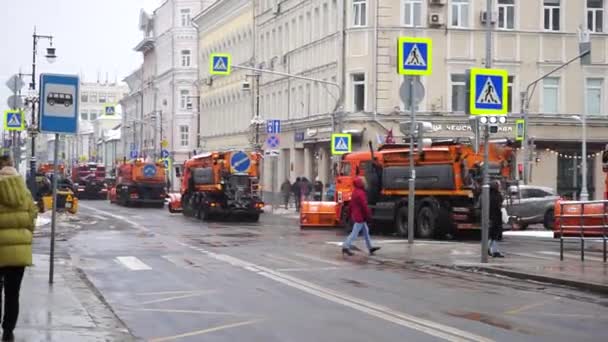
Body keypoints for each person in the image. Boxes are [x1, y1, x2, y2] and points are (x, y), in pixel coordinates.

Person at [0, 156, 37, 341]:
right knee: (13, 293)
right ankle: (8, 330)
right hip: (19, 251)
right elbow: (32, 216)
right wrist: (26, 234)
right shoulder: (25, 192)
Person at [341, 177, 380, 256]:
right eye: (364, 182)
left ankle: (370, 247)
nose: (365, 183)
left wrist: (348, 215)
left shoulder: (355, 192)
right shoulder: (361, 193)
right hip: (360, 217)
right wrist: (369, 216)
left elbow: (351, 205)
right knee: (354, 233)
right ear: (361, 183)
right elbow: (364, 206)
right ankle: (345, 246)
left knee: (366, 232)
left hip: (357, 216)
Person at [489, 180, 504, 258]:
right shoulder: (498, 195)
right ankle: (495, 251)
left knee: (492, 234)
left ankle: (489, 248)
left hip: (489, 216)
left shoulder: (487, 195)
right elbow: (499, 205)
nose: (500, 187)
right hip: (496, 217)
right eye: (499, 186)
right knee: (495, 235)